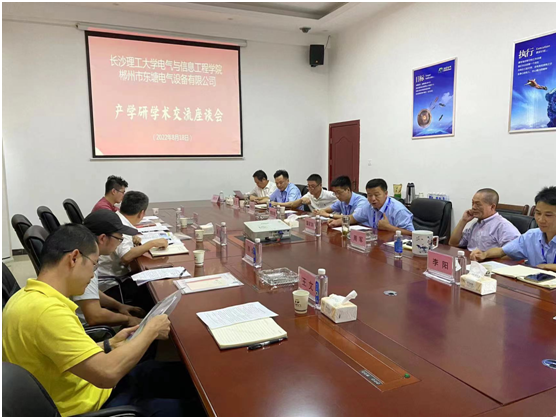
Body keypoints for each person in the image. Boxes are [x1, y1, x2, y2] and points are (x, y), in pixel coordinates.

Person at [2, 224, 199, 416]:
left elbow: (61, 353)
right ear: (74, 258)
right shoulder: (47, 312)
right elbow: (107, 374)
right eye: (94, 264)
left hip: (87, 384)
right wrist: (151, 331)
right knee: (190, 408)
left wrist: (108, 344)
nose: (92, 274)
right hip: (94, 405)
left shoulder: (26, 297)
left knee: (180, 376)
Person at [73, 210, 145, 327]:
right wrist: (129, 320)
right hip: (87, 329)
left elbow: (91, 292)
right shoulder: (83, 263)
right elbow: (95, 317)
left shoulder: (85, 253)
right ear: (102, 238)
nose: (119, 243)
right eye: (119, 239)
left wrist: (119, 306)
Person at [471, 186, 556, 272]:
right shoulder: (531, 236)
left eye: (548, 215)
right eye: (538, 213)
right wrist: (484, 254)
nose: (541, 220)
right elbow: (502, 251)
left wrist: (547, 267)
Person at [97, 191, 168, 279]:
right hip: (112, 279)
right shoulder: (121, 225)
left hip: (104, 273)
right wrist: (152, 244)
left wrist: (131, 238)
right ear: (141, 213)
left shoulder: (117, 217)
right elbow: (126, 257)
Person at [330, 178, 415, 235]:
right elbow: (354, 218)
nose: (373, 199)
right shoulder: (368, 205)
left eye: (377, 195)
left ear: (386, 194)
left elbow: (412, 234)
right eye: (369, 195)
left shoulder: (399, 210)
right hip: (375, 242)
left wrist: (389, 227)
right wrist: (337, 222)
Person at [448, 188, 520, 251]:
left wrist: (486, 255)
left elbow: (515, 251)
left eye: (478, 204)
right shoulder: (476, 224)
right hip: (471, 259)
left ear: (492, 207)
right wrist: (463, 221)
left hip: (489, 261)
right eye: (473, 203)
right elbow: (453, 243)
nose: (473, 207)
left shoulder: (503, 226)